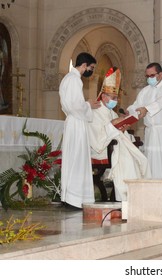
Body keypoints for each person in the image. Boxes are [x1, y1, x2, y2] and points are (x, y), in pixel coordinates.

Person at [88, 67, 151, 202]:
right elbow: (97, 138)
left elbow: (120, 132)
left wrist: (124, 125)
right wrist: (112, 124)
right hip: (103, 149)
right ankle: (125, 199)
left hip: (117, 147)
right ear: (104, 97)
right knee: (127, 160)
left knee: (142, 160)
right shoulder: (95, 112)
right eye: (113, 97)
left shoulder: (114, 113)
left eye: (116, 98)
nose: (115, 100)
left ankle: (139, 197)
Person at [127, 62, 162, 179]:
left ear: (161, 74)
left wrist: (146, 109)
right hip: (152, 133)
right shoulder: (145, 91)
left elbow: (161, 102)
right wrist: (129, 112)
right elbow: (136, 106)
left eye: (152, 76)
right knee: (152, 163)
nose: (149, 78)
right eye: (147, 76)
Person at [59, 52, 101, 209]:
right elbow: (77, 106)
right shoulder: (75, 80)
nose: (90, 71)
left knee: (73, 158)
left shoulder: (68, 78)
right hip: (77, 123)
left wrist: (86, 104)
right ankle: (75, 199)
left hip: (73, 121)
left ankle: (68, 196)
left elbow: (72, 104)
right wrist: (89, 104)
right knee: (77, 159)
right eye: (91, 67)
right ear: (84, 65)